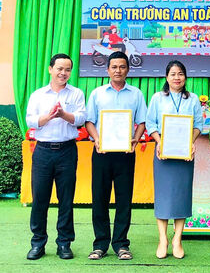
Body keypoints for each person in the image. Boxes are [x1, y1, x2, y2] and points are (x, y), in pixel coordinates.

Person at [85, 51, 147, 260]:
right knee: (99, 198)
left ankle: (121, 244)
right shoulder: (97, 93)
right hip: (102, 153)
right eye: (114, 67)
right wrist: (97, 140)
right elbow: (89, 122)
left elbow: (142, 122)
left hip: (125, 153)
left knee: (124, 199)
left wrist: (136, 140)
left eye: (122, 67)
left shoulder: (136, 94)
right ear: (107, 69)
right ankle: (100, 244)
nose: (118, 70)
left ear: (128, 69)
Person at [25, 53, 86, 260]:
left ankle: (64, 243)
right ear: (50, 69)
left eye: (67, 69)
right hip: (42, 151)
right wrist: (48, 116)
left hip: (67, 151)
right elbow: (30, 121)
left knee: (66, 200)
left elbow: (80, 118)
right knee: (40, 199)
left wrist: (63, 115)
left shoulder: (76, 93)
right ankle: (37, 243)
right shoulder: (38, 95)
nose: (63, 73)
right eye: (59, 68)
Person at [145, 60, 203, 259]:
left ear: (185, 77)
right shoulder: (157, 98)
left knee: (181, 195)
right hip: (163, 153)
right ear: (166, 77)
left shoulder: (193, 99)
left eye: (180, 74)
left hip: (185, 155)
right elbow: (150, 123)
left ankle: (178, 239)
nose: (177, 77)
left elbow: (198, 124)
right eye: (173, 74)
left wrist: (191, 141)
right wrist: (159, 142)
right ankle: (163, 239)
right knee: (163, 196)